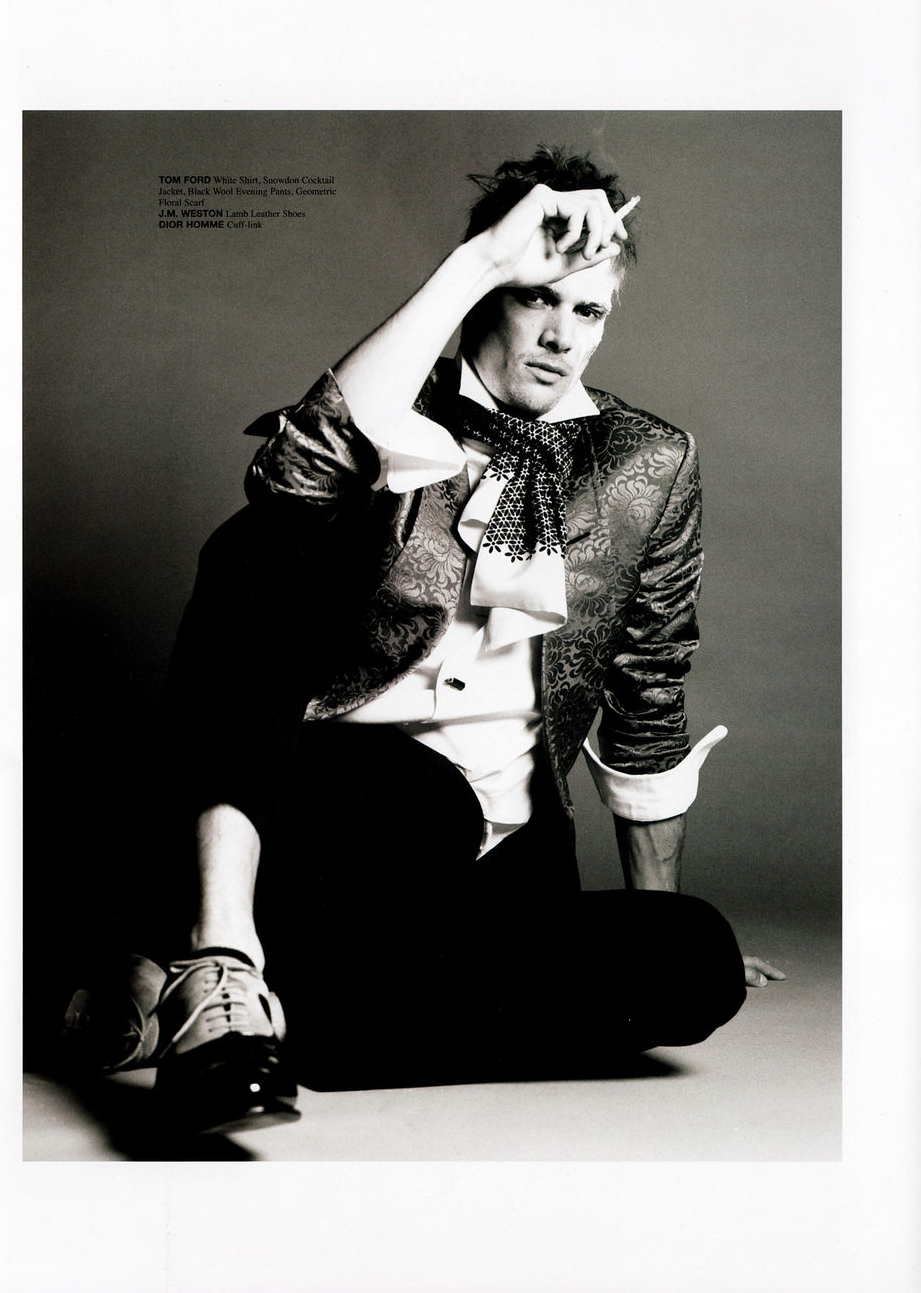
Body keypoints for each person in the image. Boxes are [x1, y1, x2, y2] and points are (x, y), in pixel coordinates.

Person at [83, 147, 785, 1135]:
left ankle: (247, 1011)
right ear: (487, 292)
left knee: (696, 959)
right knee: (271, 554)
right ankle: (224, 959)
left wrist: (644, 922)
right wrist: (480, 258)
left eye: (588, 311)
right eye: (534, 296)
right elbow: (290, 476)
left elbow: (648, 685)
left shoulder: (649, 461)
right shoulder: (392, 409)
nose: (561, 336)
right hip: (334, 826)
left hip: (501, 872)